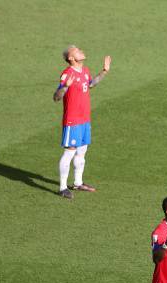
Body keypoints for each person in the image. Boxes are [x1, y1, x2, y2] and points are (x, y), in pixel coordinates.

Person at [53, 45, 111, 199]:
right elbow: (56, 97)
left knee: (82, 151)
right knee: (70, 152)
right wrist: (65, 87)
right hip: (73, 120)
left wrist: (104, 72)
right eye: (77, 51)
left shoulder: (85, 71)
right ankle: (62, 187)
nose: (81, 51)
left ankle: (78, 182)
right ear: (71, 58)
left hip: (85, 118)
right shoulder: (67, 74)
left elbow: (91, 84)